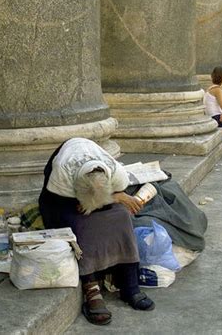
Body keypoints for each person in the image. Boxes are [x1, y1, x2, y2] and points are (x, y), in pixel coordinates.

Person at [38, 138, 154, 326]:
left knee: (121, 217)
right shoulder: (63, 172)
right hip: (61, 203)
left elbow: (116, 194)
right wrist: (87, 204)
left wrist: (113, 198)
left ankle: (129, 285)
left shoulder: (116, 173)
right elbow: (57, 204)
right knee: (82, 223)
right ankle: (91, 287)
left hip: (106, 197)